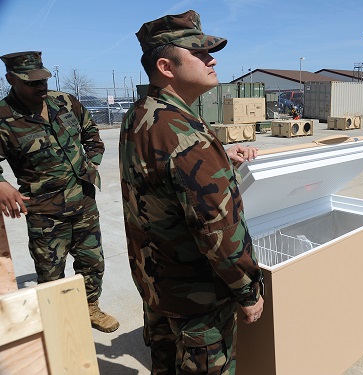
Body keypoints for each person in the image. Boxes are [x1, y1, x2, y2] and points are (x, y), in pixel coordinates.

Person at [120, 10, 264, 374]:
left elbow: (159, 184)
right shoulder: (186, 135)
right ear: (167, 67)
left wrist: (218, 159)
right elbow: (218, 230)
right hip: (199, 301)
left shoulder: (141, 114)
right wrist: (247, 290)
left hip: (158, 285)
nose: (211, 59)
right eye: (199, 54)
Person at [0, 51, 119, 333]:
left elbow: (92, 133)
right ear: (11, 80)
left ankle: (90, 306)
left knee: (92, 262)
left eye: (42, 79)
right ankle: (59, 322)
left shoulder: (64, 102)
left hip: (84, 201)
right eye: (31, 82)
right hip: (45, 211)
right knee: (51, 271)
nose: (40, 86)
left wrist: (89, 164)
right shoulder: (3, 118)